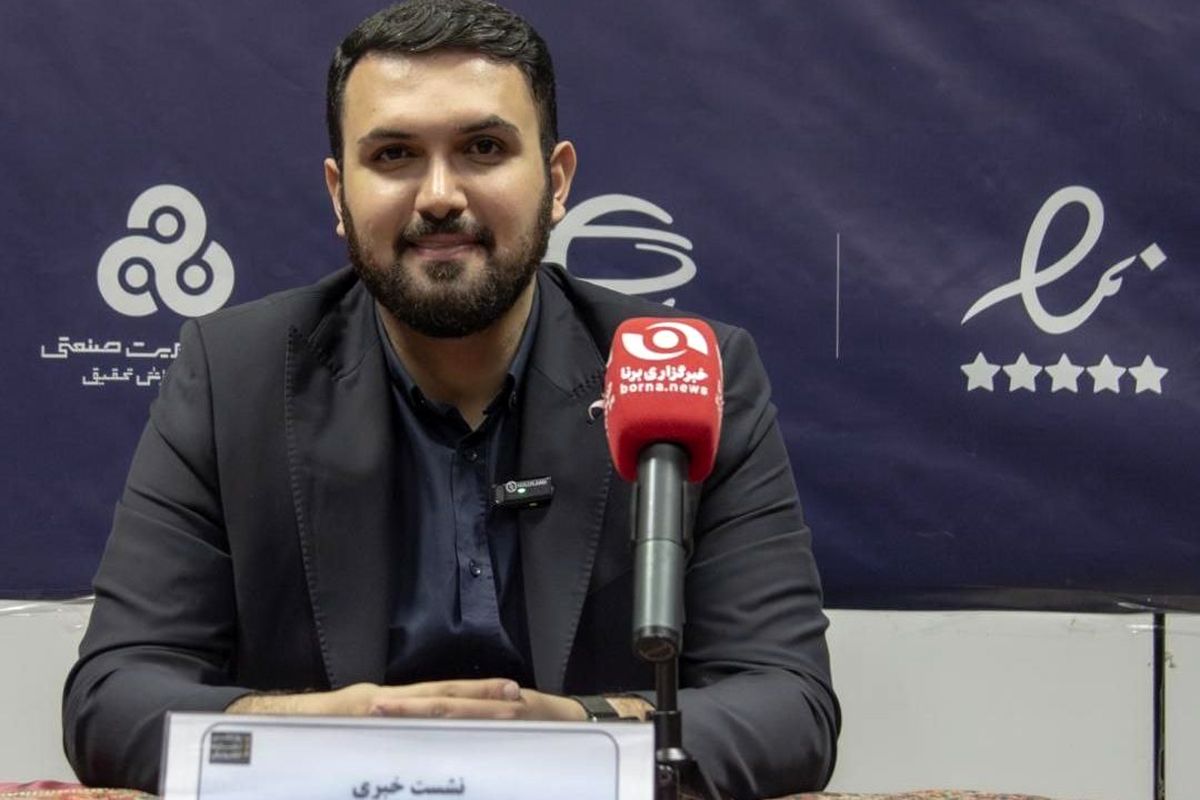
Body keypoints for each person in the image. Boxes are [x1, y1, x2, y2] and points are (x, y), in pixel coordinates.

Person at [62, 1, 839, 796]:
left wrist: (576, 733)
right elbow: (112, 701)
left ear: (556, 182)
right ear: (338, 194)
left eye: (484, 148)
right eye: (394, 154)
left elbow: (789, 708)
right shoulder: (232, 377)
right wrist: (333, 726)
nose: (439, 194)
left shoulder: (691, 375)